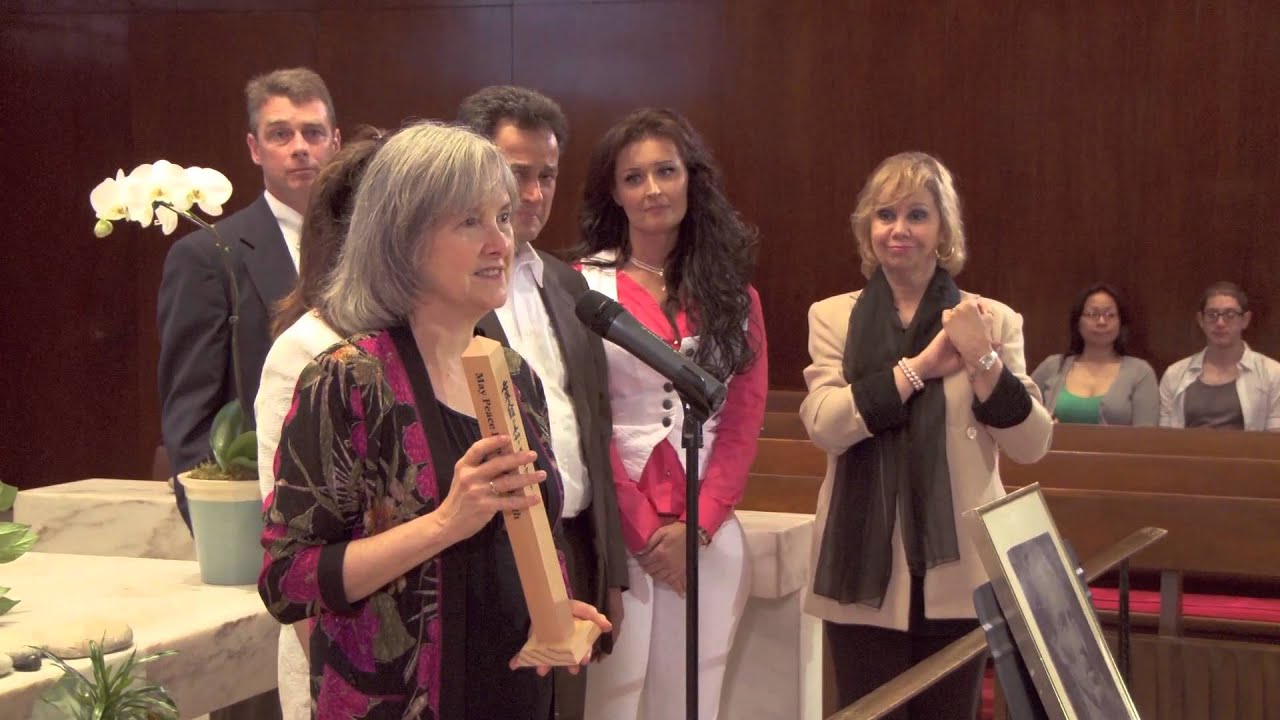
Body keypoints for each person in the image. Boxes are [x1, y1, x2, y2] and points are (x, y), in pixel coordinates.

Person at [257, 122, 609, 720]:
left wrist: (550, 612)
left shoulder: (514, 376)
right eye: (469, 221)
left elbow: (515, 544)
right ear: (402, 239)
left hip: (514, 691)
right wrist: (447, 520)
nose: (499, 241)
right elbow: (289, 580)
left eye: (501, 217)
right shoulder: (346, 380)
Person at [800, 152, 1052, 719]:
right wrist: (919, 368)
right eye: (885, 214)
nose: (899, 229)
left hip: (958, 564)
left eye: (917, 214)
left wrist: (982, 357)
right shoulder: (833, 317)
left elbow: (1031, 444)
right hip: (860, 566)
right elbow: (825, 424)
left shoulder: (992, 318)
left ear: (942, 230)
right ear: (868, 227)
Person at [574, 108, 767, 720]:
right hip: (615, 524)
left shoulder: (734, 293)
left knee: (694, 702)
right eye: (635, 177)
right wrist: (639, 528)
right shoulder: (583, 286)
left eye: (666, 171)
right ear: (615, 191)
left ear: (692, 179)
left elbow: (742, 417)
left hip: (706, 527)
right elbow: (584, 414)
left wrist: (700, 524)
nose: (653, 189)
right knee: (613, 701)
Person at [457, 86, 629, 720]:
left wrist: (607, 563)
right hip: (490, 555)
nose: (533, 195)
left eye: (547, 176)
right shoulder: (449, 288)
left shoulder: (568, 283)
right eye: (516, 175)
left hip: (577, 546)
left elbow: (594, 428)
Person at [158, 67, 340, 528]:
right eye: (281, 134)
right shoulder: (208, 256)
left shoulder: (371, 247)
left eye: (313, 133)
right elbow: (191, 416)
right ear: (255, 148)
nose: (300, 146)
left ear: (335, 143)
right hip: (263, 515)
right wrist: (219, 527)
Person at [255, 127, 386, 720]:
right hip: (342, 663)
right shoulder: (306, 349)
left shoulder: (441, 336)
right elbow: (296, 550)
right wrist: (341, 686)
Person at [1030, 282, 1158, 425]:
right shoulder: (1052, 366)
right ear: (1077, 322)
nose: (1102, 321)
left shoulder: (1140, 372)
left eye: (1110, 315)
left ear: (1121, 323)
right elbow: (1019, 411)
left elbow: (1147, 436)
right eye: (1092, 314)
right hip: (1053, 447)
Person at [1159, 281, 1280, 430]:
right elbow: (1165, 438)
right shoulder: (1175, 374)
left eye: (1230, 315)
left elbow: (1275, 440)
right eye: (1212, 315)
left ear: (1245, 320)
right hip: (1189, 452)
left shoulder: (1273, 374)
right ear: (1201, 320)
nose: (1220, 323)